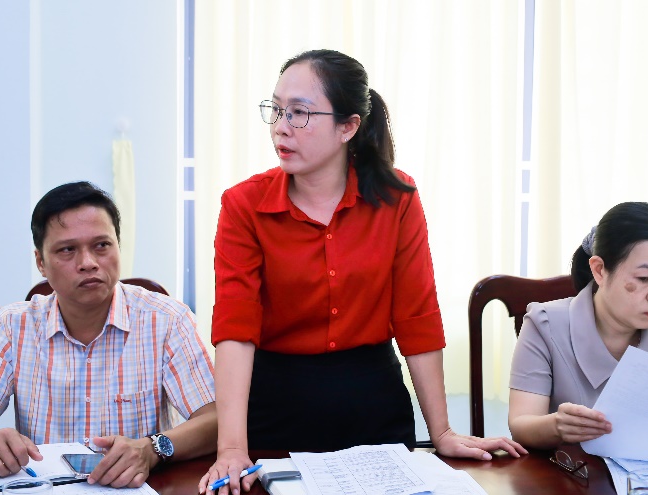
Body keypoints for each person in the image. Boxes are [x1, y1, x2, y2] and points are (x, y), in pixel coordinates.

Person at [200, 49, 526, 495]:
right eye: (276, 110)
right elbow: (236, 327)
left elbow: (416, 317)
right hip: (276, 409)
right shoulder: (244, 205)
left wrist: (443, 432)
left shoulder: (397, 197)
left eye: (299, 113)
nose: (280, 126)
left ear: (348, 127)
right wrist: (232, 447)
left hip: (373, 406)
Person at [0, 181, 217, 488]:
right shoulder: (11, 325)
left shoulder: (167, 320)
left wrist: (152, 448)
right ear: (41, 263)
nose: (88, 263)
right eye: (67, 250)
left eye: (102, 245)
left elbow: (216, 420)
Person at [508, 201, 648, 449]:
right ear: (600, 270)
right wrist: (557, 425)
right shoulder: (545, 325)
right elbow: (521, 425)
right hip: (573, 470)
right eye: (644, 278)